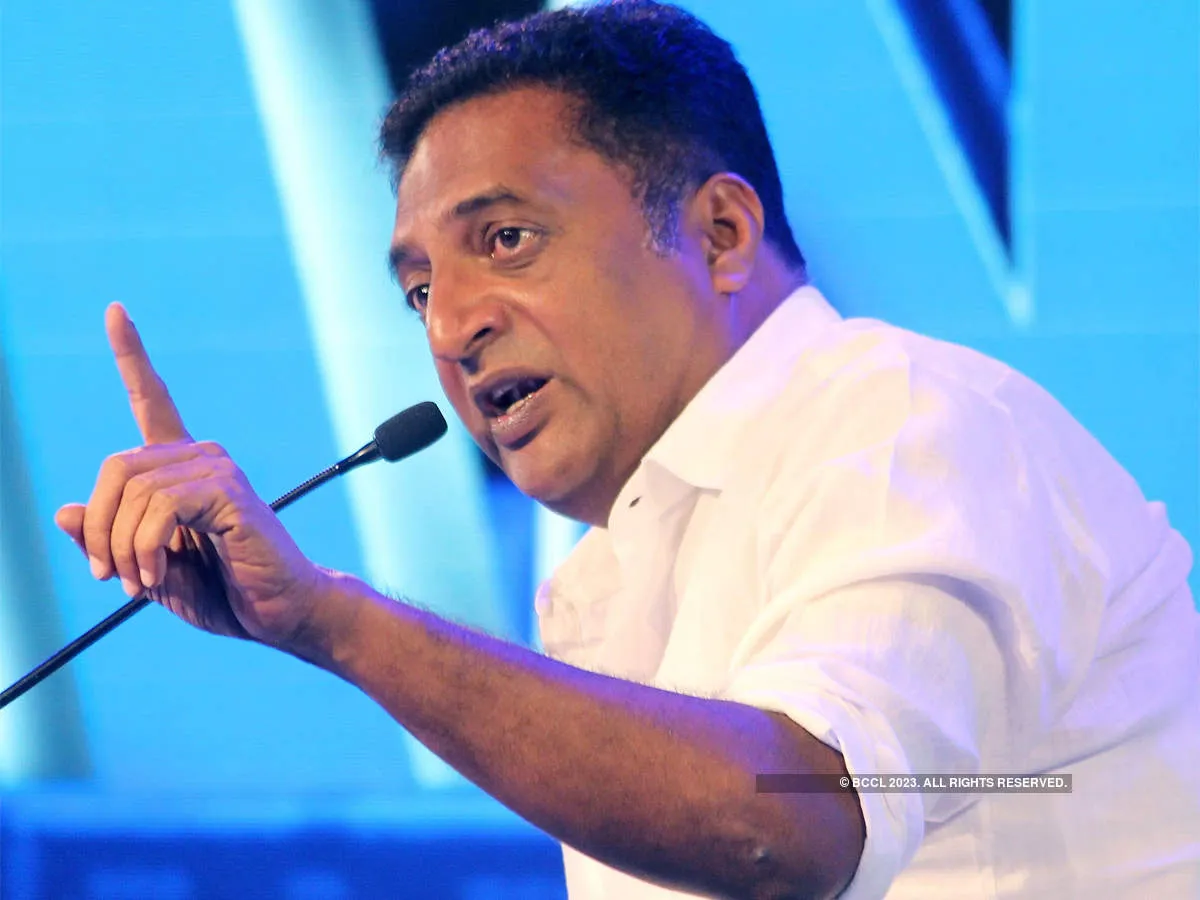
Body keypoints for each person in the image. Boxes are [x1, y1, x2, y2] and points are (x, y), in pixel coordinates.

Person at [53, 1, 1200, 897]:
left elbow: (788, 823)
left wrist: (335, 620)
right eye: (419, 291)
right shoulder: (616, 576)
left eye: (508, 239)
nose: (451, 329)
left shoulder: (907, 424)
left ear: (721, 233)